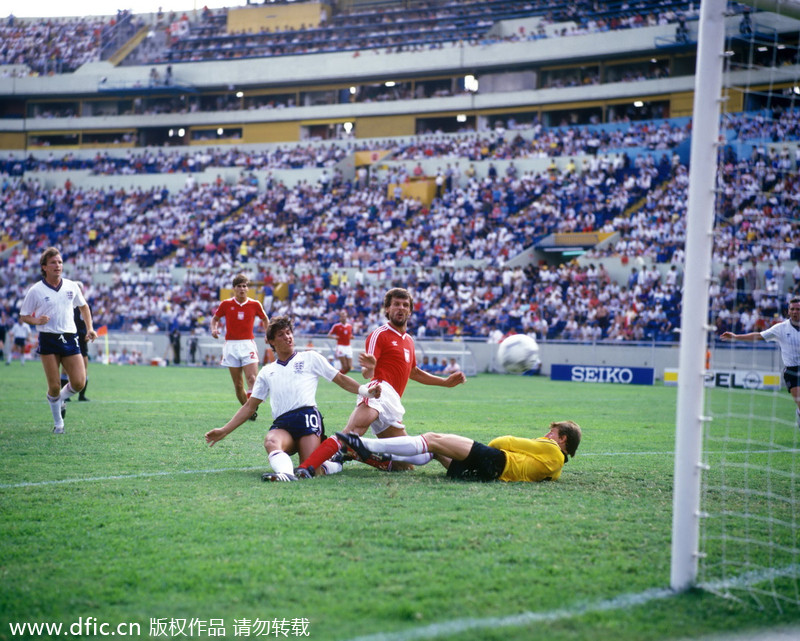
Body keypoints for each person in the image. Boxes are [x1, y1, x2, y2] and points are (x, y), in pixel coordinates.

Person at [295, 287, 466, 477]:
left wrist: (446, 382)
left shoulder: (408, 340)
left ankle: (355, 452)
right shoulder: (380, 334)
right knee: (351, 432)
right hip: (379, 392)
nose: (400, 308)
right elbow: (368, 372)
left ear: (410, 311)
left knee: (405, 464)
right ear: (387, 309)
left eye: (405, 305)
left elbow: (414, 372)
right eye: (396, 305)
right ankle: (307, 467)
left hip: (393, 403)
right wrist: (370, 367)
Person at [204, 316, 382, 482]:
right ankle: (285, 474)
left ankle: (338, 459)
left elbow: (340, 378)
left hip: (307, 419)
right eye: (281, 335)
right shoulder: (267, 371)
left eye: (289, 333)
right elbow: (250, 407)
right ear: (271, 342)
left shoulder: (310, 358)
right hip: (283, 424)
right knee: (271, 441)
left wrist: (365, 391)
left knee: (313, 470)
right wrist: (224, 430)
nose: (287, 337)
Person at [337, 420, 582, 482]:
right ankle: (365, 454)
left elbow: (501, 441)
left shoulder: (550, 449)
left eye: (553, 432)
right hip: (487, 474)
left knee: (432, 438)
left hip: (495, 461)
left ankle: (364, 444)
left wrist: (531, 443)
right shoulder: (556, 470)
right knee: (434, 449)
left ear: (563, 440)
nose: (547, 434)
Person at [19, 247, 97, 434]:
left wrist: (90, 328)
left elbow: (84, 307)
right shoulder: (36, 290)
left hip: (70, 337)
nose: (58, 265)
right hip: (48, 339)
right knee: (54, 386)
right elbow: (24, 315)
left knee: (79, 382)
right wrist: (36, 320)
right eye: (53, 262)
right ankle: (59, 424)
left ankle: (59, 400)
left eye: (60, 262)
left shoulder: (71, 286)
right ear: (44, 267)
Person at [721, 297, 800, 428]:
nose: (795, 311)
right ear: (788, 311)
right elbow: (758, 336)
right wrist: (736, 337)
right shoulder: (781, 328)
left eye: (798, 309)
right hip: (792, 371)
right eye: (793, 309)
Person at [211, 274, 269, 421]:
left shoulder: (255, 304)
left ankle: (251, 407)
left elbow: (265, 319)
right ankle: (249, 411)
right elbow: (215, 318)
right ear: (234, 288)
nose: (242, 289)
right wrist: (214, 329)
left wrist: (268, 334)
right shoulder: (226, 304)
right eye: (239, 286)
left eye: (244, 286)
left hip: (247, 344)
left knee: (252, 378)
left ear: (247, 288)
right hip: (231, 345)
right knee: (238, 385)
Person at [60, 281, 91, 401]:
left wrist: (89, 332)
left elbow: (89, 322)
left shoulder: (85, 306)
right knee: (66, 368)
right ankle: (65, 396)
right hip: (69, 338)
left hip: (82, 339)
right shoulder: (66, 305)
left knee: (84, 367)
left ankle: (82, 395)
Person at [327, 309, 354, 374]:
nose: (343, 317)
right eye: (342, 316)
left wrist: (352, 337)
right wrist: (334, 337)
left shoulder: (349, 326)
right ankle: (339, 378)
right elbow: (329, 335)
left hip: (348, 346)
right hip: (340, 346)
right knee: (344, 366)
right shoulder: (336, 326)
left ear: (346, 317)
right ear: (340, 318)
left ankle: (338, 376)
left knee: (349, 367)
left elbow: (350, 335)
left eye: (344, 316)